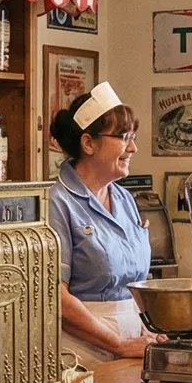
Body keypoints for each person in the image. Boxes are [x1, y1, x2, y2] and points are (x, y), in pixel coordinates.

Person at [47, 82, 157, 363]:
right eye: (123, 137)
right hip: (81, 351)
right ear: (88, 143)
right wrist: (119, 345)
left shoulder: (124, 199)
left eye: (133, 137)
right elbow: (54, 297)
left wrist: (146, 331)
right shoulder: (55, 202)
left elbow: (135, 284)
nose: (133, 147)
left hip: (132, 346)